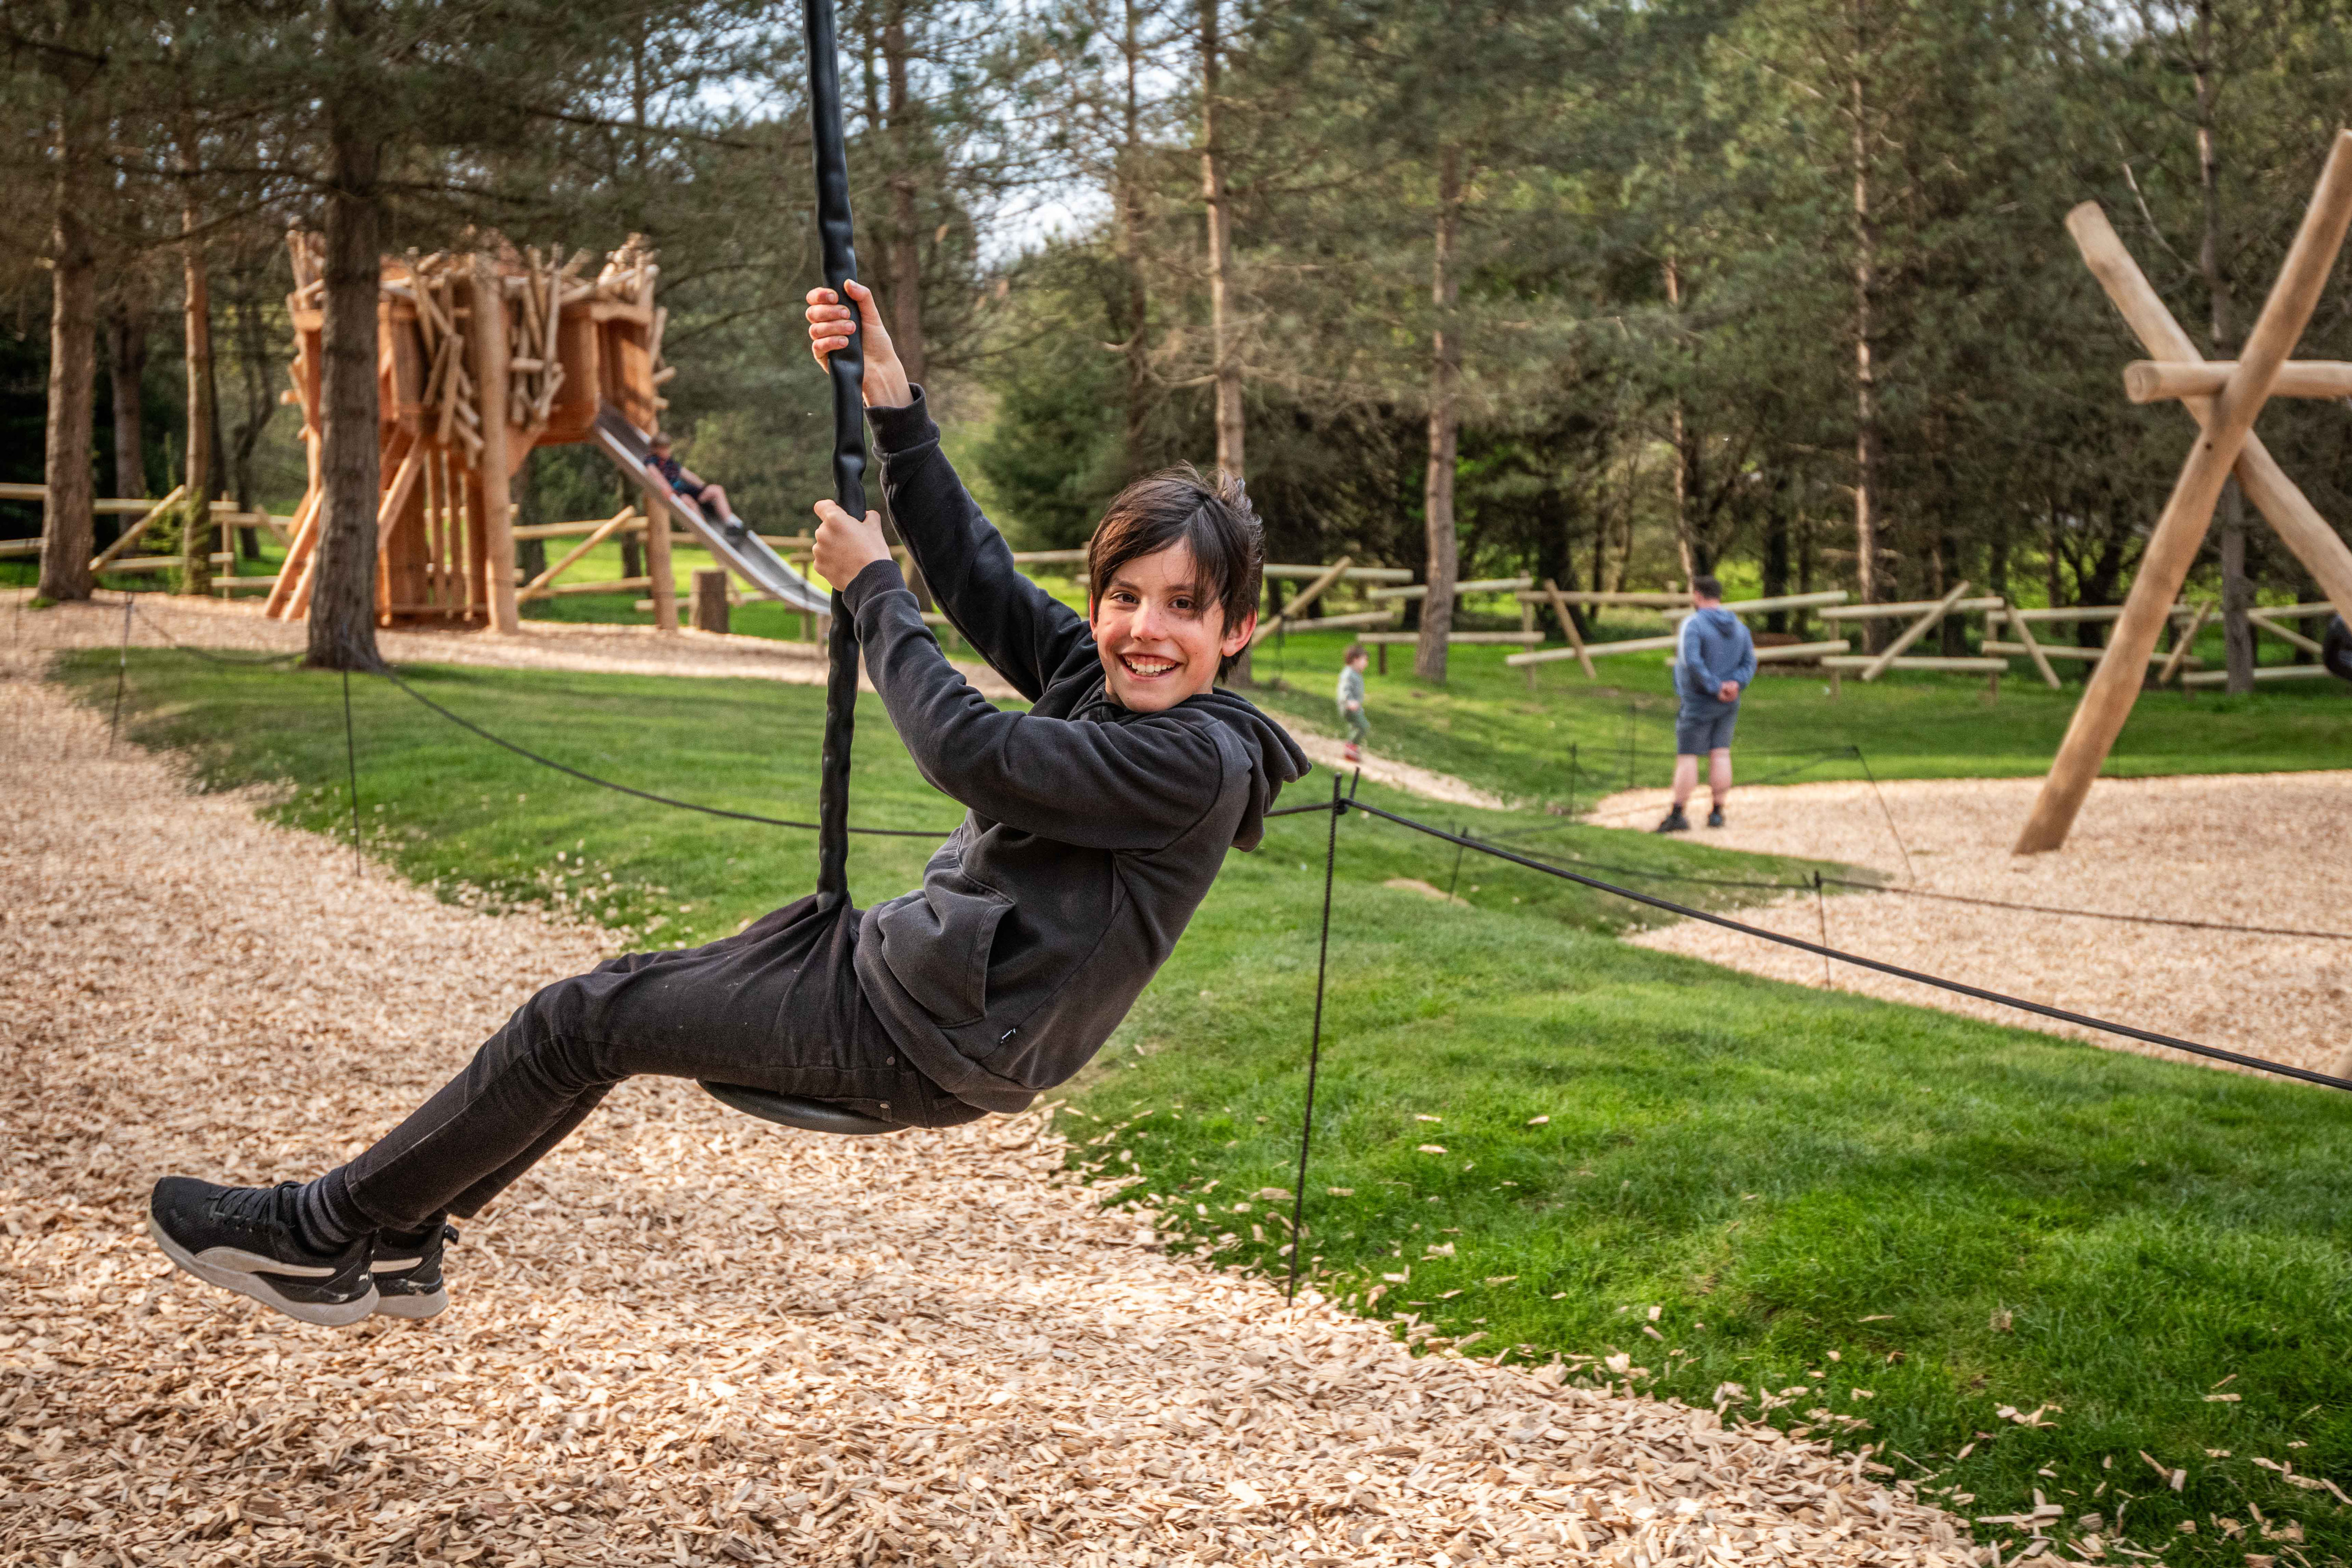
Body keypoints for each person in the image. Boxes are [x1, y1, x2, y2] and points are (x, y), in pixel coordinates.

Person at [145, 277, 1308, 1327]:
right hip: (900, 973)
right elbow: (982, 575)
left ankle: (322, 1233)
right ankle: (393, 1236)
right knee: (590, 1019)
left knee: (579, 1022)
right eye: (1123, 596)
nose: (1143, 629)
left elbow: (970, 753)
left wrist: (872, 597)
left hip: (928, 1034)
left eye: (1183, 606)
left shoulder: (1193, 764)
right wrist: (896, 412)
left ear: (1235, 629)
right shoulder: (1100, 676)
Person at [1655, 575, 1754, 834]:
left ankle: (1678, 813)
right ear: (1719, 596)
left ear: (1697, 596)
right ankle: (1717, 813)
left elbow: (1692, 662)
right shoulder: (1740, 627)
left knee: (1688, 756)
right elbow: (1749, 663)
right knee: (1721, 753)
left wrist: (1714, 687)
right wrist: (1735, 684)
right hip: (1730, 702)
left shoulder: (1693, 624)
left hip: (1699, 701)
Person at [646, 432, 746, 541]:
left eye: (668, 448)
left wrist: (702, 485)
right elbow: (655, 474)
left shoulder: (671, 462)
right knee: (689, 502)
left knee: (717, 490)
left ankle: (730, 523)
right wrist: (666, 488)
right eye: (664, 449)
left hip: (686, 488)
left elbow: (686, 474)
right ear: (656, 450)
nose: (668, 451)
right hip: (676, 492)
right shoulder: (652, 462)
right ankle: (706, 532)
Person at [1336, 643, 1371, 763]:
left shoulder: (1356, 674)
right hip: (1349, 707)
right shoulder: (1348, 673)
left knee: (1355, 726)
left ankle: (1351, 748)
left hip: (1355, 707)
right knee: (1363, 725)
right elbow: (1344, 689)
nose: (1367, 663)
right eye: (1364, 660)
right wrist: (1349, 701)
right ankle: (1351, 747)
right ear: (1355, 659)